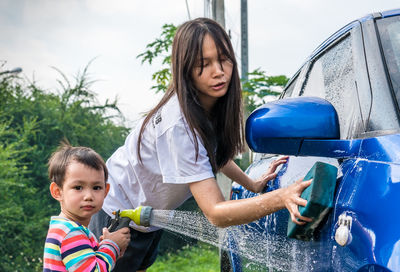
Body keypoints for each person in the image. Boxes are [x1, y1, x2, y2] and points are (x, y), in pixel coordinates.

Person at [89, 17, 312, 272]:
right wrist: (281, 197)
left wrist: (252, 184)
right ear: (185, 69)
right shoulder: (179, 125)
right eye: (203, 64)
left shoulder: (205, 107)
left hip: (148, 216)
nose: (218, 71)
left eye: (224, 59)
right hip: (117, 213)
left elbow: (210, 154)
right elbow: (216, 213)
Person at [43, 143, 131, 272]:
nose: (89, 196)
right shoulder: (71, 233)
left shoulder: (66, 228)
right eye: (78, 187)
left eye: (96, 188)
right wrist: (112, 245)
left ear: (106, 191)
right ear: (57, 191)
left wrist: (102, 248)